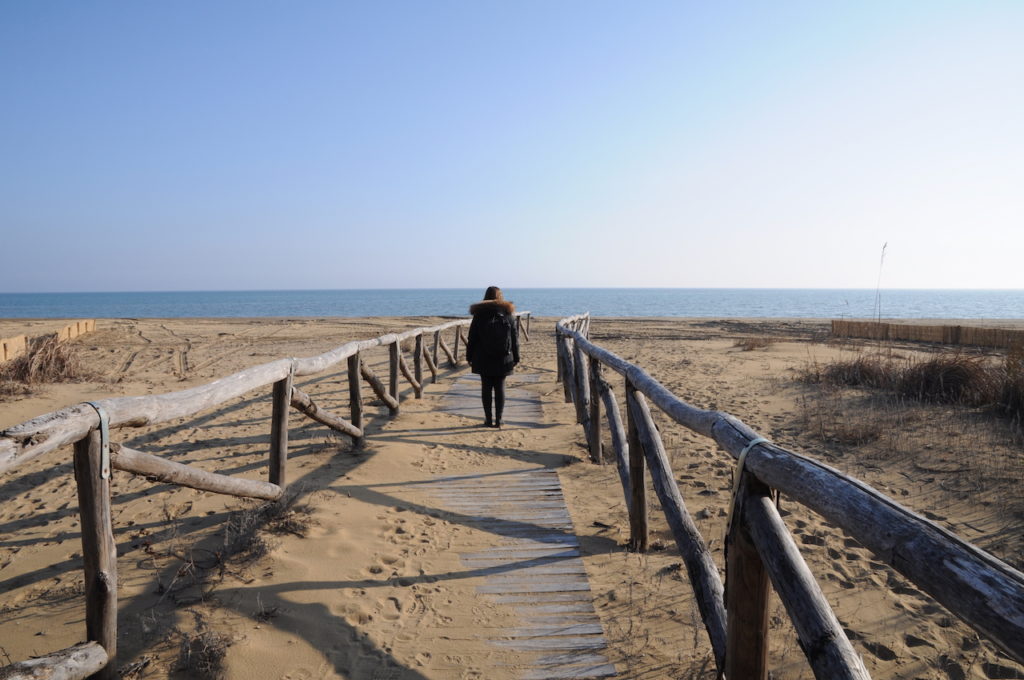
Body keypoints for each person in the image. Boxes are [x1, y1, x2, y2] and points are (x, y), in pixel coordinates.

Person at [466, 286, 520, 428]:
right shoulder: (508, 314)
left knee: (486, 387)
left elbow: (472, 338)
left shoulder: (479, 314)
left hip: (483, 357)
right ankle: (499, 420)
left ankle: (488, 419)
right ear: (500, 297)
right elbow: (514, 338)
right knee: (500, 387)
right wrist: (516, 356)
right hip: (504, 357)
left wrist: (469, 356)